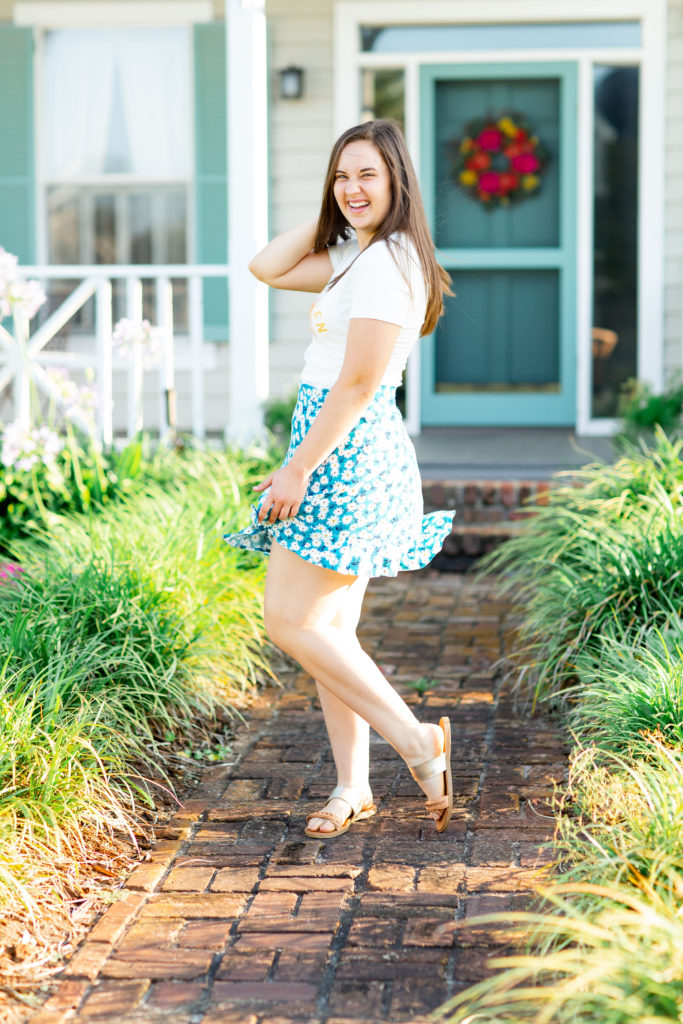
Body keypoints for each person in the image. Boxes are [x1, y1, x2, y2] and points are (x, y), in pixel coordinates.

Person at [224, 119, 455, 839]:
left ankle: (418, 743)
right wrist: (338, 212)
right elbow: (266, 265)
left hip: (345, 449)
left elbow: (356, 384)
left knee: (289, 621)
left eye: (368, 177)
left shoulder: (386, 264)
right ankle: (352, 786)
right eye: (341, 176)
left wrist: (300, 465)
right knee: (329, 631)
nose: (352, 189)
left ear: (398, 184)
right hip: (335, 443)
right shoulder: (361, 255)